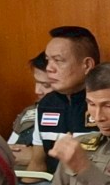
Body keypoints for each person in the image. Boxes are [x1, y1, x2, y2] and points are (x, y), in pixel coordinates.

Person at [12, 27, 100, 174]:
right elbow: (37, 166)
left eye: (58, 61)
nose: (49, 68)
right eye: (48, 60)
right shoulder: (46, 104)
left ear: (87, 65)